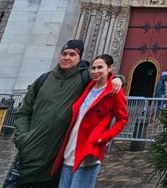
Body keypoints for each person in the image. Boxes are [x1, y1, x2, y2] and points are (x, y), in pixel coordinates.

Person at [12, 40, 122, 188]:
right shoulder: (43, 80)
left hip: (56, 159)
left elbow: (103, 77)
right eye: (64, 54)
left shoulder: (84, 79)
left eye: (72, 54)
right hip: (30, 155)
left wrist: (118, 78)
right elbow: (24, 112)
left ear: (79, 58)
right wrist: (22, 138)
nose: (67, 57)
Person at [53, 55, 128, 188]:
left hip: (88, 153)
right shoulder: (88, 87)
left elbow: (122, 119)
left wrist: (103, 138)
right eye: (93, 68)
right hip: (70, 150)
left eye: (100, 67)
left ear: (110, 68)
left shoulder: (114, 92)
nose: (95, 71)